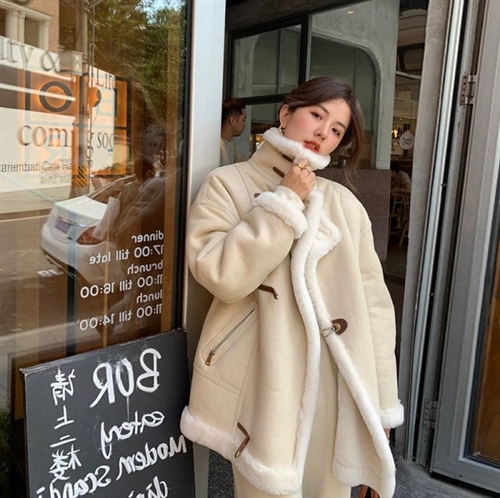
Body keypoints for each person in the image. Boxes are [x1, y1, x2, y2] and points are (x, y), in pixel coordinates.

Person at [181, 77, 404, 498]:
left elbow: (375, 309)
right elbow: (221, 276)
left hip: (335, 386)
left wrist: (381, 407)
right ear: (286, 113)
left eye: (336, 129)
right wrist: (283, 202)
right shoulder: (227, 184)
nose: (322, 132)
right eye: (317, 115)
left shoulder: (344, 205)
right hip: (268, 379)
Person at [220, 97, 248, 166]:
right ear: (232, 120)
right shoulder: (217, 148)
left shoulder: (231, 146)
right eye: (243, 120)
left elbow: (246, 163)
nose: (245, 125)